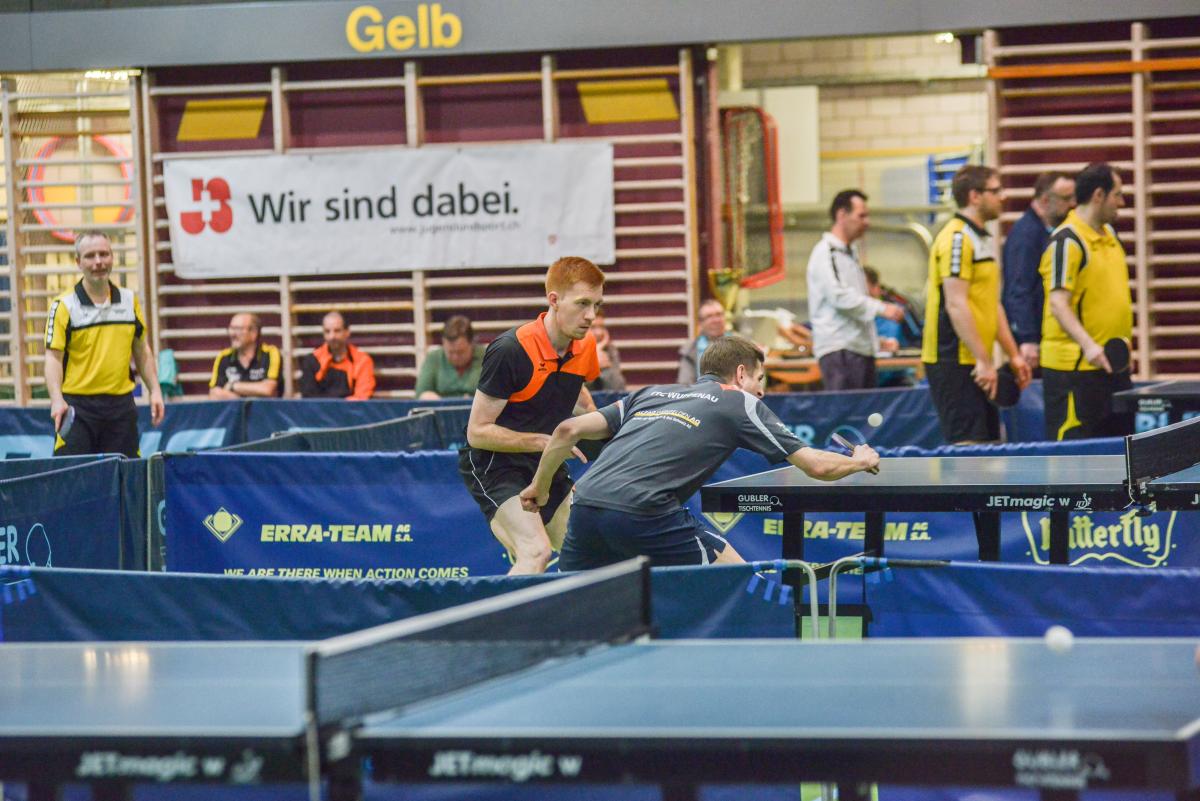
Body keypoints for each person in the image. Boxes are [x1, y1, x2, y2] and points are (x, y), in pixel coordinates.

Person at [519, 335, 879, 569]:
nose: (762, 391)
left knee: (573, 610)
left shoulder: (650, 393)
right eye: (760, 379)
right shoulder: (739, 401)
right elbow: (815, 465)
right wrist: (858, 460)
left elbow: (567, 430)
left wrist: (540, 487)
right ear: (741, 374)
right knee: (739, 581)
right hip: (645, 512)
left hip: (586, 507)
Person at [460, 256, 603, 575]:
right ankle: (506, 613)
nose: (591, 315)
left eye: (597, 305)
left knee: (587, 553)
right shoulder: (511, 350)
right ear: (554, 300)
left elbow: (577, 394)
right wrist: (543, 442)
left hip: (545, 462)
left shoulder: (585, 345)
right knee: (535, 551)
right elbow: (477, 432)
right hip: (496, 464)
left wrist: (605, 427)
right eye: (582, 304)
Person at [921, 165, 1031, 444]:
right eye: (995, 191)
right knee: (968, 448)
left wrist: (1013, 355)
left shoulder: (981, 238)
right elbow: (956, 304)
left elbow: (992, 304)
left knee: (989, 445)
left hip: (979, 361)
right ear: (975, 196)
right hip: (953, 360)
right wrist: (983, 360)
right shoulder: (956, 239)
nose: (1003, 197)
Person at [44, 230, 165, 457]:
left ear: (112, 257)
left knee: (125, 475)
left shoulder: (129, 300)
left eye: (104, 254)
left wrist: (155, 390)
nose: (98, 261)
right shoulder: (63, 305)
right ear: (78, 262)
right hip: (77, 409)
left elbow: (141, 349)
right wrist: (56, 400)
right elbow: (53, 358)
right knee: (73, 475)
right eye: (90, 256)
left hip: (121, 408)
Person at [1039, 162, 1133, 440]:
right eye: (1117, 194)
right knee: (1076, 456)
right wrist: (1089, 346)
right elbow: (1058, 304)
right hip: (1075, 372)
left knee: (1121, 454)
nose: (1122, 202)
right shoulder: (1066, 242)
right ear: (1098, 195)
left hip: (1112, 368)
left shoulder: (1110, 235)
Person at [805, 189, 905, 390]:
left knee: (865, 409)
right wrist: (882, 308)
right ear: (842, 215)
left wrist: (876, 341)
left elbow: (855, 308)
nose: (867, 222)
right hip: (840, 352)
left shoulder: (849, 254)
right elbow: (838, 296)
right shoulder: (825, 253)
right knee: (848, 409)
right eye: (861, 216)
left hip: (859, 351)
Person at [1001, 171, 1076, 372]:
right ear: (1045, 200)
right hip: (1033, 340)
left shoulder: (1047, 230)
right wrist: (1028, 338)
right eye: (1066, 198)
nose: (1072, 204)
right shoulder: (1026, 235)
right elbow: (1018, 290)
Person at [298, 311, 376, 400]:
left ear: (347, 332)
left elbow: (362, 397)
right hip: (319, 409)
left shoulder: (362, 361)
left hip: (350, 409)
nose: (332, 336)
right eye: (327, 331)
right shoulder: (312, 360)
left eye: (337, 331)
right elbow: (308, 399)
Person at [208, 312, 282, 398]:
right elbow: (214, 393)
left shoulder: (270, 353)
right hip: (235, 407)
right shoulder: (223, 357)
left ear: (254, 333)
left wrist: (232, 386)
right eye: (231, 328)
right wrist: (242, 402)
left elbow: (267, 389)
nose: (233, 334)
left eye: (238, 329)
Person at [415, 315, 485, 400]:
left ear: (472, 344)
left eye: (460, 352)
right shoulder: (434, 358)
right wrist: (438, 401)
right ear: (443, 343)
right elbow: (421, 393)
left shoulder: (487, 357)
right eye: (450, 352)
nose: (455, 357)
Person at [676, 299, 726, 383]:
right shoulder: (690, 350)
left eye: (719, 314)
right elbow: (685, 384)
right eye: (709, 316)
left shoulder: (739, 345)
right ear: (700, 323)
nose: (716, 320)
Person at [587, 308, 626, 392]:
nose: (599, 333)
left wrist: (598, 349)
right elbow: (575, 387)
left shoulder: (610, 349)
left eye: (602, 327)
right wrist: (593, 364)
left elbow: (618, 387)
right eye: (593, 327)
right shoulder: (573, 349)